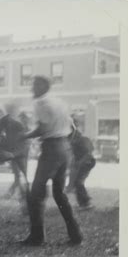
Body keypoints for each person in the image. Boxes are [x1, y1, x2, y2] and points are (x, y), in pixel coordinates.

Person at [21, 75, 83, 246]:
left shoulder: (41, 103)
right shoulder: (60, 102)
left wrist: (24, 136)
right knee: (59, 194)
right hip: (64, 148)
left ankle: (37, 237)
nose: (32, 89)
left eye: (34, 85)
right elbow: (74, 129)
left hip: (51, 149)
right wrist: (63, 144)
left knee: (36, 194)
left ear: (43, 86)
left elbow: (42, 128)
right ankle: (76, 235)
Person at [0, 102, 31, 205]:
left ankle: (26, 199)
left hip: (20, 151)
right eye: (10, 109)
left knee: (22, 174)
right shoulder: (5, 120)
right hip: (7, 149)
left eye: (13, 108)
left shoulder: (22, 119)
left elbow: (26, 139)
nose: (11, 110)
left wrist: (16, 153)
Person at [66, 128, 95, 209]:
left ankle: (86, 203)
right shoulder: (80, 140)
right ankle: (83, 201)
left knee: (78, 182)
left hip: (87, 162)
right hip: (86, 162)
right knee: (78, 182)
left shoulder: (81, 141)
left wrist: (80, 162)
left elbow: (88, 154)